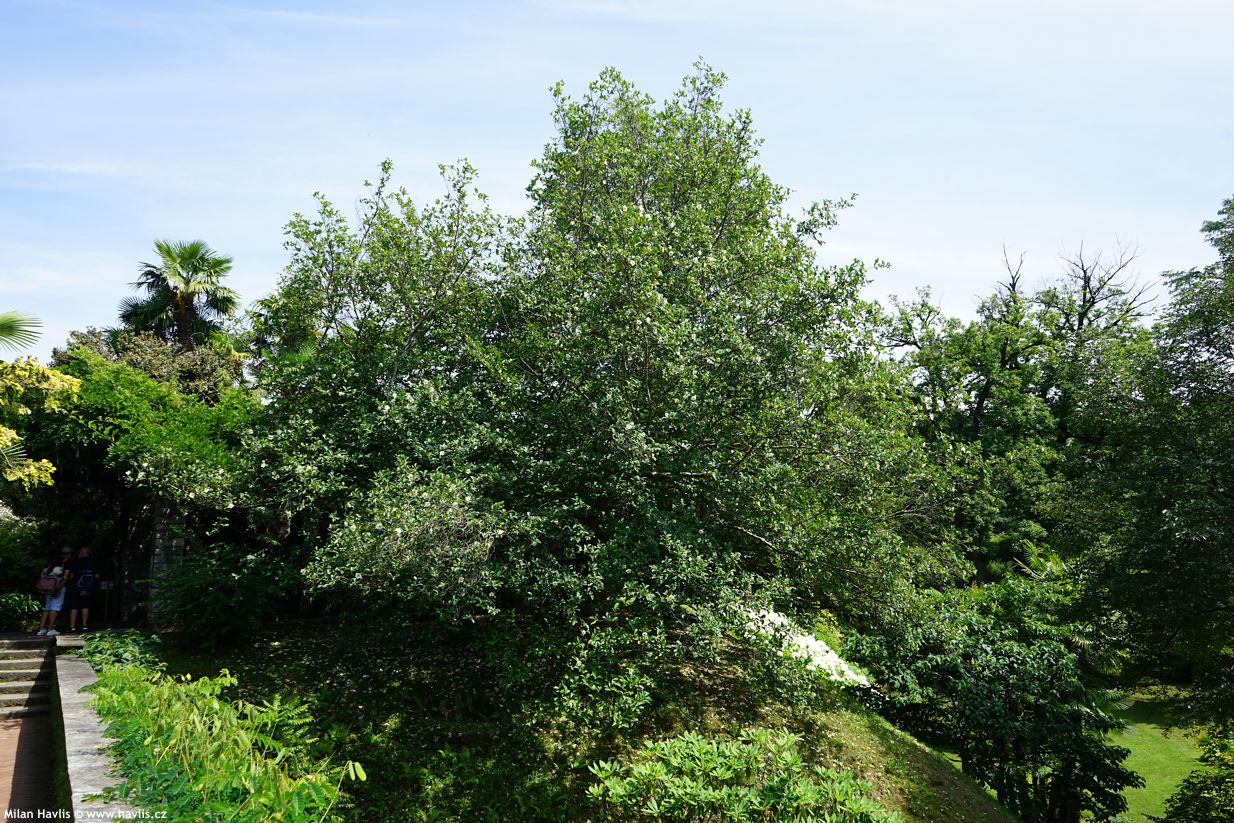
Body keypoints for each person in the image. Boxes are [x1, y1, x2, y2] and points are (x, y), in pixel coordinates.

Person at [35, 548, 71, 637]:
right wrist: (58, 588)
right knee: (54, 607)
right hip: (57, 587)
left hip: (47, 586)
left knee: (47, 607)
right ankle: (50, 630)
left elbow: (43, 574)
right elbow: (65, 577)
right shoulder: (66, 563)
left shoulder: (51, 562)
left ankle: (41, 629)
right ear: (68, 554)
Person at [66, 545, 96, 632]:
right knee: (85, 606)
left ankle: (72, 627)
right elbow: (96, 575)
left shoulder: (76, 562)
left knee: (74, 607)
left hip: (75, 587)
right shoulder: (93, 562)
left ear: (82, 553)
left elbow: (71, 575)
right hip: (87, 588)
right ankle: (84, 626)